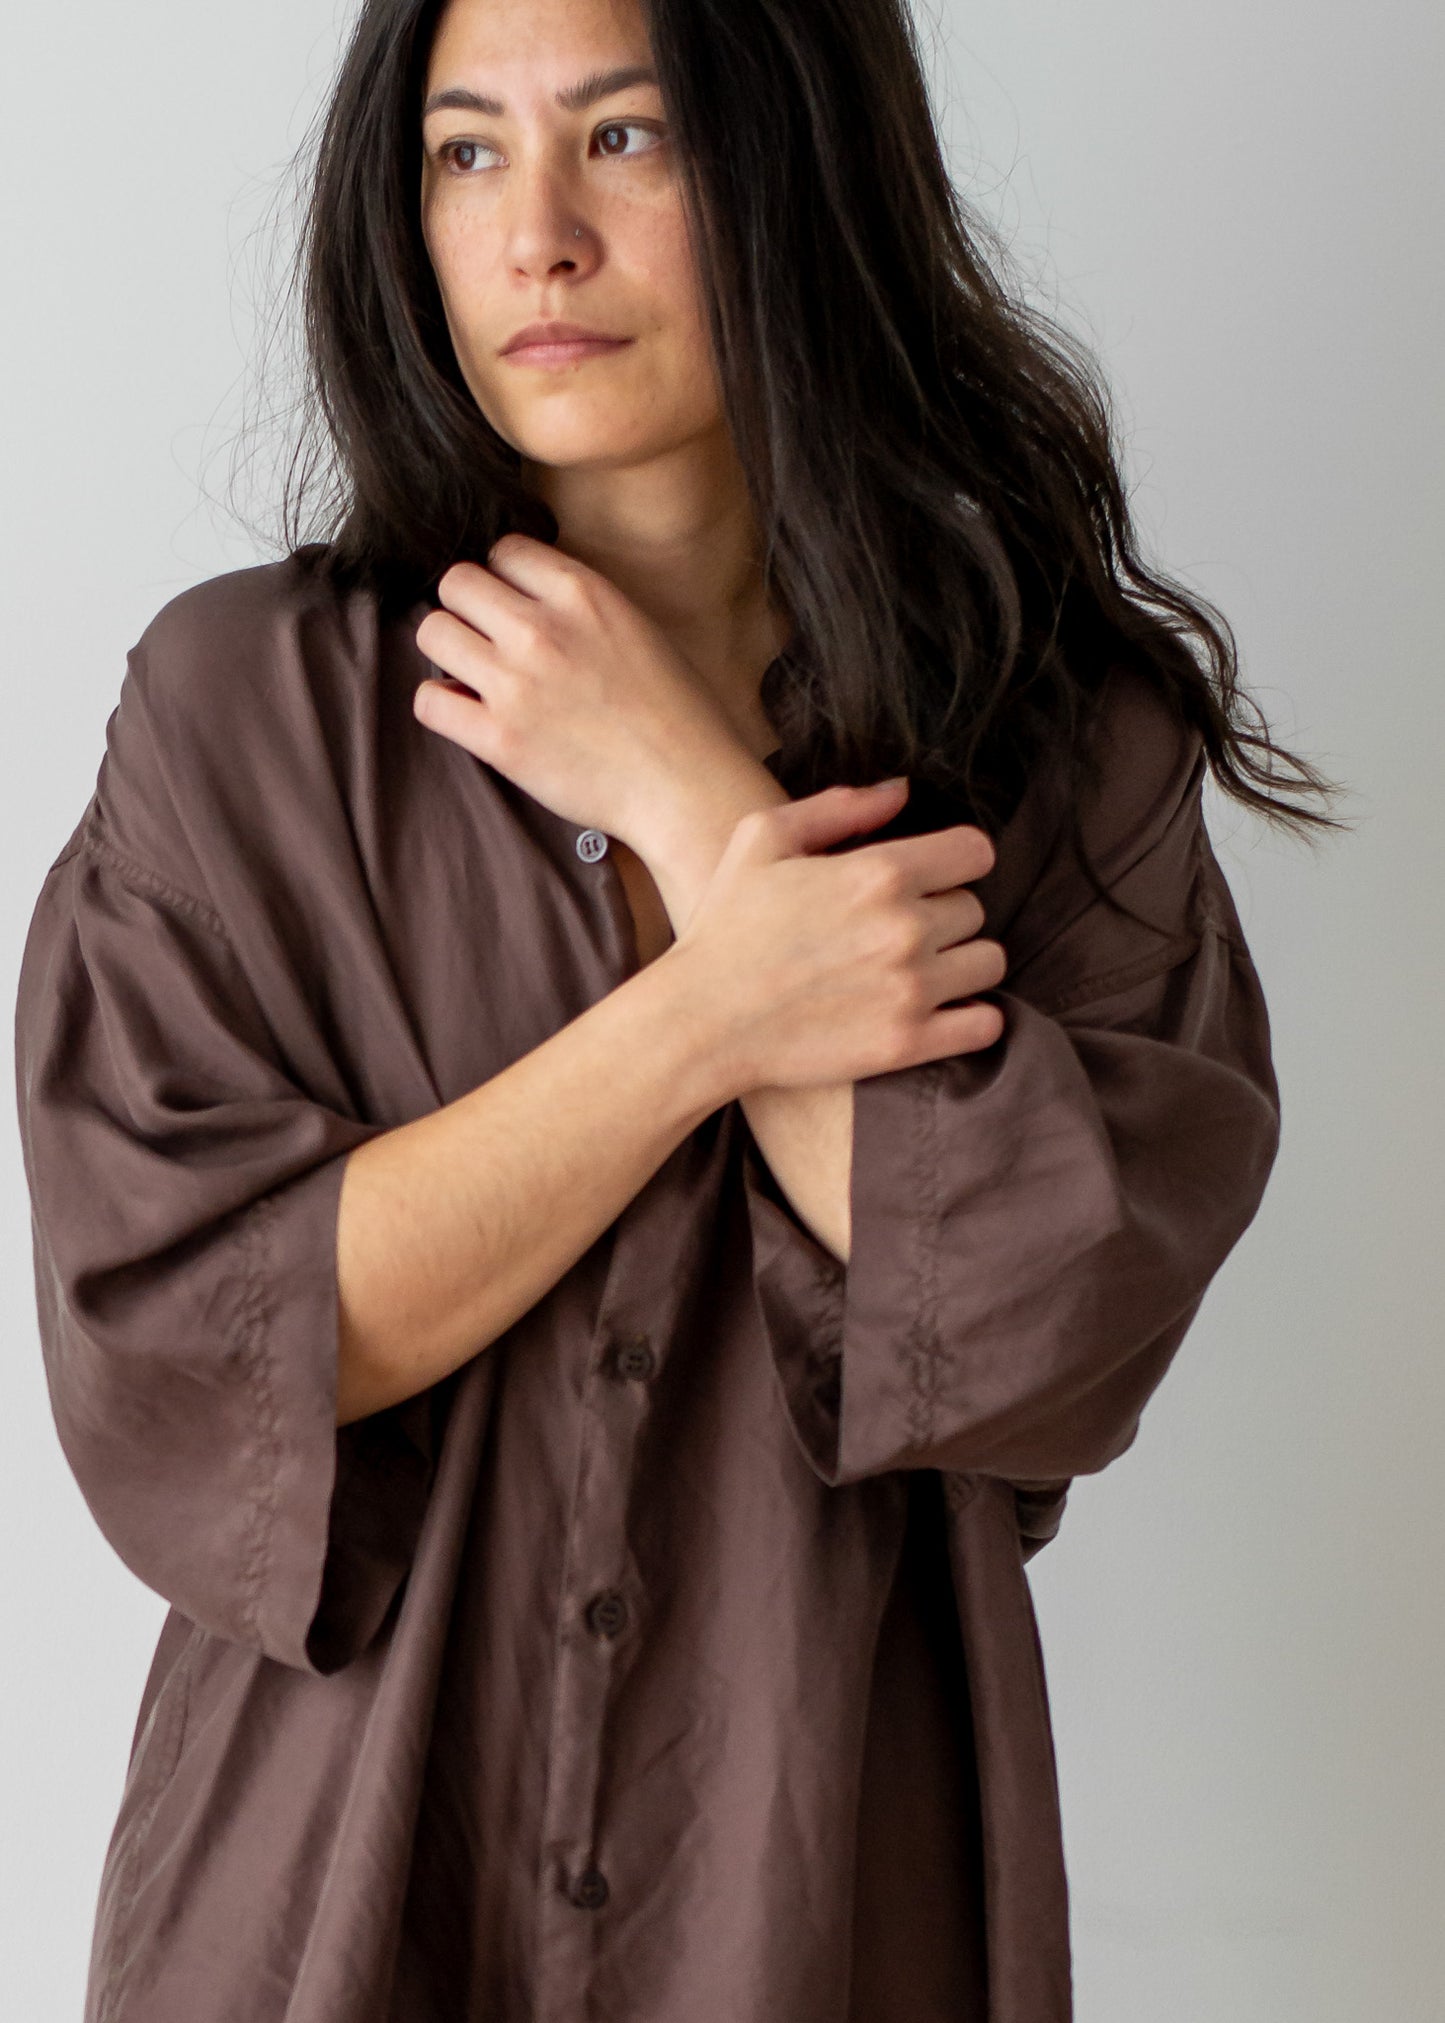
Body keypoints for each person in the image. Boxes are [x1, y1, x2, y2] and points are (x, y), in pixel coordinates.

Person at [13, 0, 1342, 2017]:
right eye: (467, 151)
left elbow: (1033, 1324)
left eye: (624, 140)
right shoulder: (242, 725)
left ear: (795, 165)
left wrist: (687, 802)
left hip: (819, 1912)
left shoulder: (1070, 756)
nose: (535, 231)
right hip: (320, 1915)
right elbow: (201, 1344)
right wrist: (721, 1010)